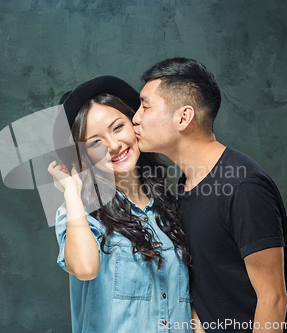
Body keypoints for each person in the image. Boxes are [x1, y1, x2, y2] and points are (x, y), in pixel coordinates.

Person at [132, 58, 287, 333]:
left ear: (183, 117)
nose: (136, 118)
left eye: (145, 106)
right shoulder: (186, 185)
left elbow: (273, 299)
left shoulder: (243, 186)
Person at [48, 76, 194, 333]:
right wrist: (71, 192)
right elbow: (84, 269)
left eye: (117, 128)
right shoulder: (80, 212)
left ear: (134, 123)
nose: (113, 146)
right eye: (95, 142)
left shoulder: (170, 206)